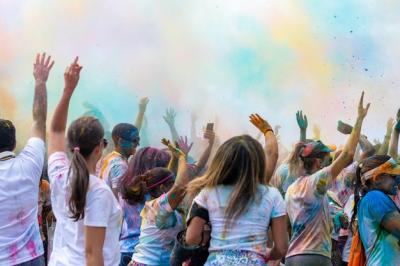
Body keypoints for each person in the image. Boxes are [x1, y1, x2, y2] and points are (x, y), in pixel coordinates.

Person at [184, 114, 288, 265]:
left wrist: (210, 242)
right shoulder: (271, 195)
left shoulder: (208, 193)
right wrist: (265, 254)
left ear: (223, 161)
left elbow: (191, 238)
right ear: (258, 162)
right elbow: (281, 247)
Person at [48, 57, 121, 266]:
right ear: (99, 148)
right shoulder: (98, 191)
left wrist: (68, 90)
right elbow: (91, 254)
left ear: (70, 146)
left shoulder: (58, 173)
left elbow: (55, 130)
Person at [285, 92, 370, 266]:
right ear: (317, 161)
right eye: (326, 158)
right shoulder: (316, 182)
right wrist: (359, 119)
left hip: (292, 256)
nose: (328, 162)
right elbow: (347, 155)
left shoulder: (291, 188)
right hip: (315, 256)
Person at [0, 53, 52, 266]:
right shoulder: (29, 164)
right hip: (32, 258)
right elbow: (39, 121)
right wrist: (40, 82)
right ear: (14, 143)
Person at [130, 143, 190, 265]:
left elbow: (167, 177)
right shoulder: (159, 205)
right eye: (171, 184)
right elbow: (180, 187)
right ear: (162, 188)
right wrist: (182, 157)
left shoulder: (156, 204)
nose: (173, 187)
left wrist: (174, 158)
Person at [350, 155, 400, 266]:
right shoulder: (375, 197)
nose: (398, 179)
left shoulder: (370, 199)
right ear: (376, 178)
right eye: (393, 176)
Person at [99, 123, 140, 198]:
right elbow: (118, 198)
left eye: (138, 140)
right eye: (134, 140)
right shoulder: (119, 165)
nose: (137, 144)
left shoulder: (109, 158)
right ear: (120, 141)